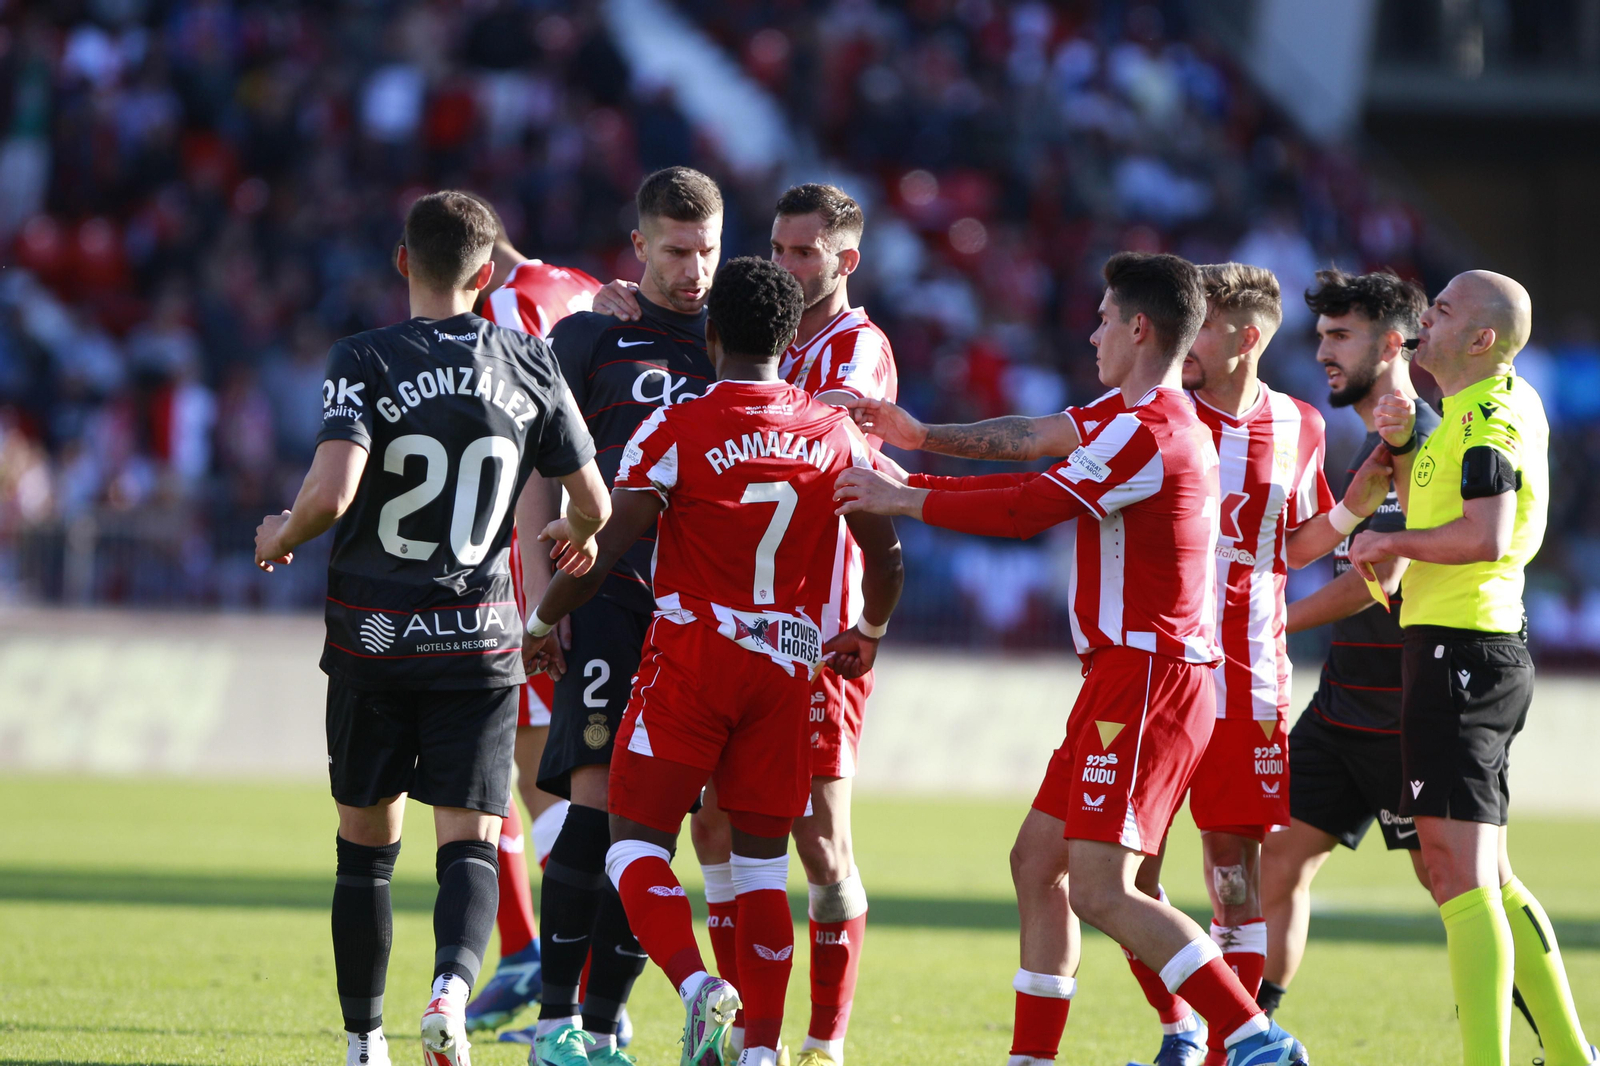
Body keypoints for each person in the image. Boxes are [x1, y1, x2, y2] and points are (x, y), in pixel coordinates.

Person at [835, 252, 1309, 1066]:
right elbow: (1035, 438)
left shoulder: (1151, 432)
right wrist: (919, 435)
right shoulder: (1127, 418)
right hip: (1129, 677)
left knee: (1102, 887)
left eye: (1101, 317)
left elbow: (1030, 508)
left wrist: (904, 494)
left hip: (1152, 676)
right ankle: (1037, 1058)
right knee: (1037, 863)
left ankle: (1253, 1039)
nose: (1089, 332)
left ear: (1137, 328)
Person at [251, 190, 610, 1066]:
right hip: (479, 644)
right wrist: (572, 535)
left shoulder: (363, 357)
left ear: (402, 261)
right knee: (471, 841)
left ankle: (364, 1040)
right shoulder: (529, 360)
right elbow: (592, 504)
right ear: (487, 277)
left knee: (365, 848)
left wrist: (280, 536)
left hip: (374, 641)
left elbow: (331, 496)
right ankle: (451, 990)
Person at [524, 256, 905, 1066]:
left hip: (694, 659)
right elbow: (887, 555)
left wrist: (542, 615)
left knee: (632, 844)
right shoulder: (833, 432)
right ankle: (765, 1052)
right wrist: (867, 627)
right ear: (787, 336)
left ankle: (698, 986)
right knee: (766, 863)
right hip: (788, 668)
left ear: (715, 334)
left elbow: (607, 543)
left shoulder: (679, 425)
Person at [1349, 271, 1595, 1066]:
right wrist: (1401, 444)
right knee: (1478, 872)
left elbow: (1485, 536)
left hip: (1462, 651)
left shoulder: (1488, 413)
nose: (1429, 315)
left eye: (1446, 308)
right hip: (1462, 648)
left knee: (1456, 875)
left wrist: (1388, 544)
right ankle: (1567, 1053)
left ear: (1482, 340)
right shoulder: (1469, 411)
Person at [524, 166, 722, 1065]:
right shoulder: (591, 337)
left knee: (653, 833)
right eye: (676, 251)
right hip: (604, 603)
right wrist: (545, 591)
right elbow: (540, 470)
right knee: (594, 818)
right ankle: (555, 1024)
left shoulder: (738, 343)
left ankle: (605, 1027)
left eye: (707, 250)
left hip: (699, 624)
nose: (693, 270)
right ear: (640, 245)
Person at [1256, 269, 1439, 1018]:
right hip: (1342, 707)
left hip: (1402, 717)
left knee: (1454, 885)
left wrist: (1266, 624)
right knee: (1279, 860)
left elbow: (1379, 579)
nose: (1323, 351)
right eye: (1323, 334)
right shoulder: (1370, 437)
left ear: (1392, 343)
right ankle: (1253, 1031)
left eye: (1341, 336)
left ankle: (1557, 1037)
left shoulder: (1419, 438)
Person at [459, 192, 604, 1035]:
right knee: (526, 768)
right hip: (590, 552)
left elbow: (520, 443)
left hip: (533, 560)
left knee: (533, 770)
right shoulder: (582, 285)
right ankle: (539, 963)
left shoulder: (512, 311)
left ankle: (565, 983)